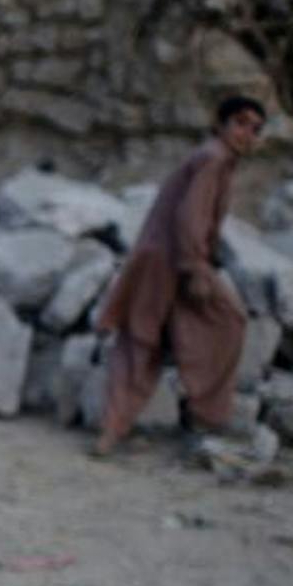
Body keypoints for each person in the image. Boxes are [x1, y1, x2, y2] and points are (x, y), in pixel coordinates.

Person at [91, 95, 265, 458]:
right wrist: (195, 269)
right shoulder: (213, 159)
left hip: (169, 258)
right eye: (241, 123)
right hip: (169, 262)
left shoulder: (216, 159)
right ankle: (197, 415)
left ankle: (189, 415)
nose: (247, 133)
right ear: (220, 125)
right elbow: (190, 218)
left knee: (153, 338)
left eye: (256, 128)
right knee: (157, 338)